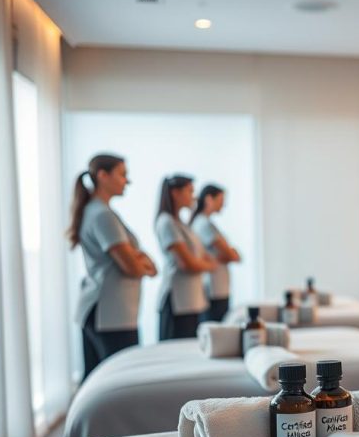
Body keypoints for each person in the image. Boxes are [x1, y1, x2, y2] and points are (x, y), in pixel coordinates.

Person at [67, 154, 156, 378]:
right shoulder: (102, 215)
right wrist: (140, 262)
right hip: (109, 315)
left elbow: (143, 263)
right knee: (118, 380)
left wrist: (140, 261)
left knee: (100, 380)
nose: (127, 181)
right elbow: (133, 267)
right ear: (103, 176)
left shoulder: (99, 212)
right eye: (123, 175)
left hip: (109, 312)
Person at [155, 174, 217, 340]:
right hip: (177, 301)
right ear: (175, 193)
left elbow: (201, 257)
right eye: (190, 191)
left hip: (191, 300)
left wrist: (202, 263)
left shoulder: (181, 223)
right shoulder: (166, 222)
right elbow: (187, 264)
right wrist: (207, 265)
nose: (194, 196)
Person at [190, 184, 241, 322]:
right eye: (221, 199)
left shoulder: (206, 223)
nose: (223, 204)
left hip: (218, 287)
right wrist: (228, 255)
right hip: (213, 288)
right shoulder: (203, 224)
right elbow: (231, 254)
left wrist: (226, 255)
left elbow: (235, 256)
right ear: (209, 199)